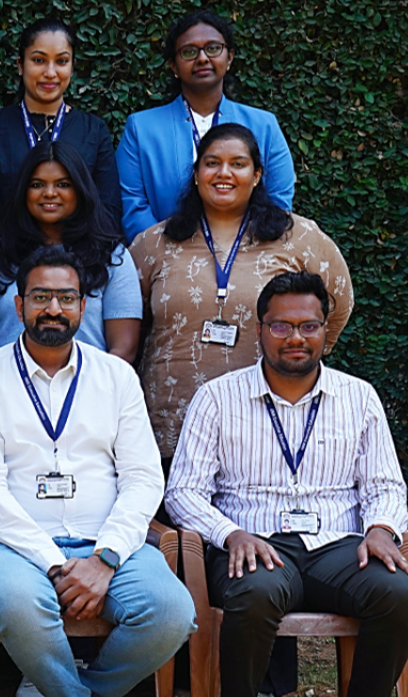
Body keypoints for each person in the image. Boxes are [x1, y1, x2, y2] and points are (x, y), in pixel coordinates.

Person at [0, 245, 195, 697]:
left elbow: (141, 478)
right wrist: (58, 565)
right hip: (13, 545)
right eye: (41, 297)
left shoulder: (115, 377)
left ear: (85, 306)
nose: (54, 309)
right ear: (17, 305)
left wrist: (105, 557)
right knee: (20, 605)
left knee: (171, 612)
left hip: (107, 541)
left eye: (66, 297)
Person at [166, 270, 408, 697]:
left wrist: (383, 529)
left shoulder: (358, 397)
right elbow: (183, 492)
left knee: (396, 592)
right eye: (282, 326)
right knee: (253, 594)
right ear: (260, 330)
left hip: (338, 545)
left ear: (325, 331)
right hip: (250, 541)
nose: (296, 338)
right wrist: (229, 534)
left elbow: (387, 483)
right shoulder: (217, 398)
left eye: (309, 326)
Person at [132, 123, 352, 462]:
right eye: (212, 162)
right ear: (196, 174)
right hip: (170, 427)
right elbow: (127, 320)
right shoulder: (154, 243)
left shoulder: (299, 237)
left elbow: (338, 303)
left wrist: (301, 358)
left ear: (257, 175)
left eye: (238, 163)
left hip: (265, 426)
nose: (224, 173)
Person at [117, 9, 295, 242]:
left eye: (213, 49)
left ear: (229, 58)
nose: (202, 58)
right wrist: (167, 253)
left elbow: (278, 201)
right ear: (173, 66)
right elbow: (132, 205)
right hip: (166, 262)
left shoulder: (264, 126)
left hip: (250, 260)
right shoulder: (141, 129)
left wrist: (243, 253)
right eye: (189, 52)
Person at [0, 141, 140, 362]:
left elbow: (123, 350)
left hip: (89, 391)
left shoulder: (112, 258)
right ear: (23, 192)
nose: (49, 193)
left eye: (62, 184)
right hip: (6, 390)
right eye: (37, 185)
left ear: (80, 189)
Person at [0, 18, 118, 246]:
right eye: (39, 60)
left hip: (80, 262)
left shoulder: (93, 131)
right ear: (20, 65)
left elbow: (108, 208)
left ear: (72, 66)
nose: (50, 72)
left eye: (61, 61)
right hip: (7, 262)